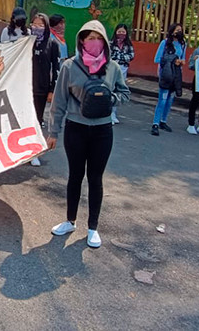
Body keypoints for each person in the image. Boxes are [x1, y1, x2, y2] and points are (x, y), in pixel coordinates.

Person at [47, 20, 130, 248]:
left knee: (95, 178)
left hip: (103, 131)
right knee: (75, 176)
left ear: (104, 41)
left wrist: (112, 99)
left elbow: (124, 92)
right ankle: (69, 220)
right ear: (81, 40)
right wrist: (53, 131)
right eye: (89, 37)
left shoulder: (111, 67)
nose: (94, 42)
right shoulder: (69, 66)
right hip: (76, 128)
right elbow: (59, 102)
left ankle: (93, 228)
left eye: (98, 38)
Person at [30, 13, 60, 167]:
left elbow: (56, 69)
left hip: (41, 90)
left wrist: (52, 90)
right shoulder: (26, 42)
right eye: (34, 24)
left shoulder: (52, 44)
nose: (37, 28)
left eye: (40, 25)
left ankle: (34, 152)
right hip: (25, 87)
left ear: (47, 27)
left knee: (37, 121)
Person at [150, 23, 186, 136]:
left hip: (176, 75)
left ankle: (163, 121)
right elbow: (157, 59)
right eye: (177, 30)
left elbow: (183, 58)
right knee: (163, 99)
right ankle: (155, 123)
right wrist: (172, 60)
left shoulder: (183, 44)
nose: (179, 32)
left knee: (170, 100)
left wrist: (181, 61)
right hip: (166, 74)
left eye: (180, 30)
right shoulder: (165, 43)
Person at [109, 24, 135, 124]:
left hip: (123, 69)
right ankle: (108, 113)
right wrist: (122, 56)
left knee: (118, 91)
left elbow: (131, 56)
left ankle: (114, 113)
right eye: (119, 32)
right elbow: (109, 56)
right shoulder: (111, 43)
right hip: (112, 69)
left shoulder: (128, 45)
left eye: (123, 32)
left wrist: (119, 56)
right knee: (111, 89)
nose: (121, 34)